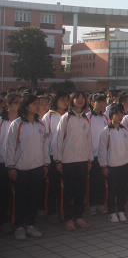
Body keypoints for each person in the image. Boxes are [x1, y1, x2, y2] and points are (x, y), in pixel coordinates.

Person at [4, 95, 49, 240]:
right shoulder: (17, 124)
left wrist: (45, 163)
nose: (37, 106)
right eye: (34, 103)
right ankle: (18, 226)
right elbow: (10, 146)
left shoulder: (41, 124)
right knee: (20, 198)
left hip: (37, 167)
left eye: (38, 103)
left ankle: (30, 224)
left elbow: (45, 146)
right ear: (26, 106)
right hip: (21, 169)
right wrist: (11, 166)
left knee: (33, 197)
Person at [55, 91, 93, 232]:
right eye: (77, 98)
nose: (81, 100)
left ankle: (79, 216)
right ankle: (68, 218)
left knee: (80, 191)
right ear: (72, 100)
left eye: (83, 98)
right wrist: (58, 160)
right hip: (68, 161)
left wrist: (89, 159)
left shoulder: (85, 119)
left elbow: (89, 140)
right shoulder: (65, 118)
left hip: (82, 160)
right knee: (68, 192)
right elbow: (58, 139)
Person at [98, 103, 128, 223]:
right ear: (111, 116)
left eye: (121, 114)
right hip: (112, 166)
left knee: (122, 190)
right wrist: (103, 165)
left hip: (124, 165)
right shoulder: (106, 132)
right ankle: (111, 212)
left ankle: (121, 210)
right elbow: (102, 150)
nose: (119, 117)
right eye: (117, 114)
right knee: (112, 190)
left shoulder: (125, 130)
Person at [41, 91, 69, 224]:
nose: (65, 103)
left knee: (66, 187)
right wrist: (46, 159)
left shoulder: (69, 116)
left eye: (67, 100)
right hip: (53, 157)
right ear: (55, 101)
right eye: (62, 100)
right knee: (54, 186)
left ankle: (65, 211)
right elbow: (45, 139)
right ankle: (52, 212)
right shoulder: (49, 117)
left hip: (68, 156)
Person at [0, 93, 21, 234]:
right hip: (3, 164)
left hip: (19, 164)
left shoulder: (22, 122)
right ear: (7, 105)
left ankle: (17, 221)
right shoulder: (2, 122)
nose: (19, 105)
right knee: (3, 194)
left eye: (20, 102)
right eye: (16, 102)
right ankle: (4, 220)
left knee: (17, 194)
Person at [87, 94, 110, 215]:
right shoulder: (87, 117)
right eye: (99, 102)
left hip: (102, 156)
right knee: (92, 182)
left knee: (101, 181)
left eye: (103, 102)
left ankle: (101, 203)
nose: (102, 105)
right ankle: (92, 205)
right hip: (91, 155)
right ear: (92, 103)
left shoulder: (105, 118)